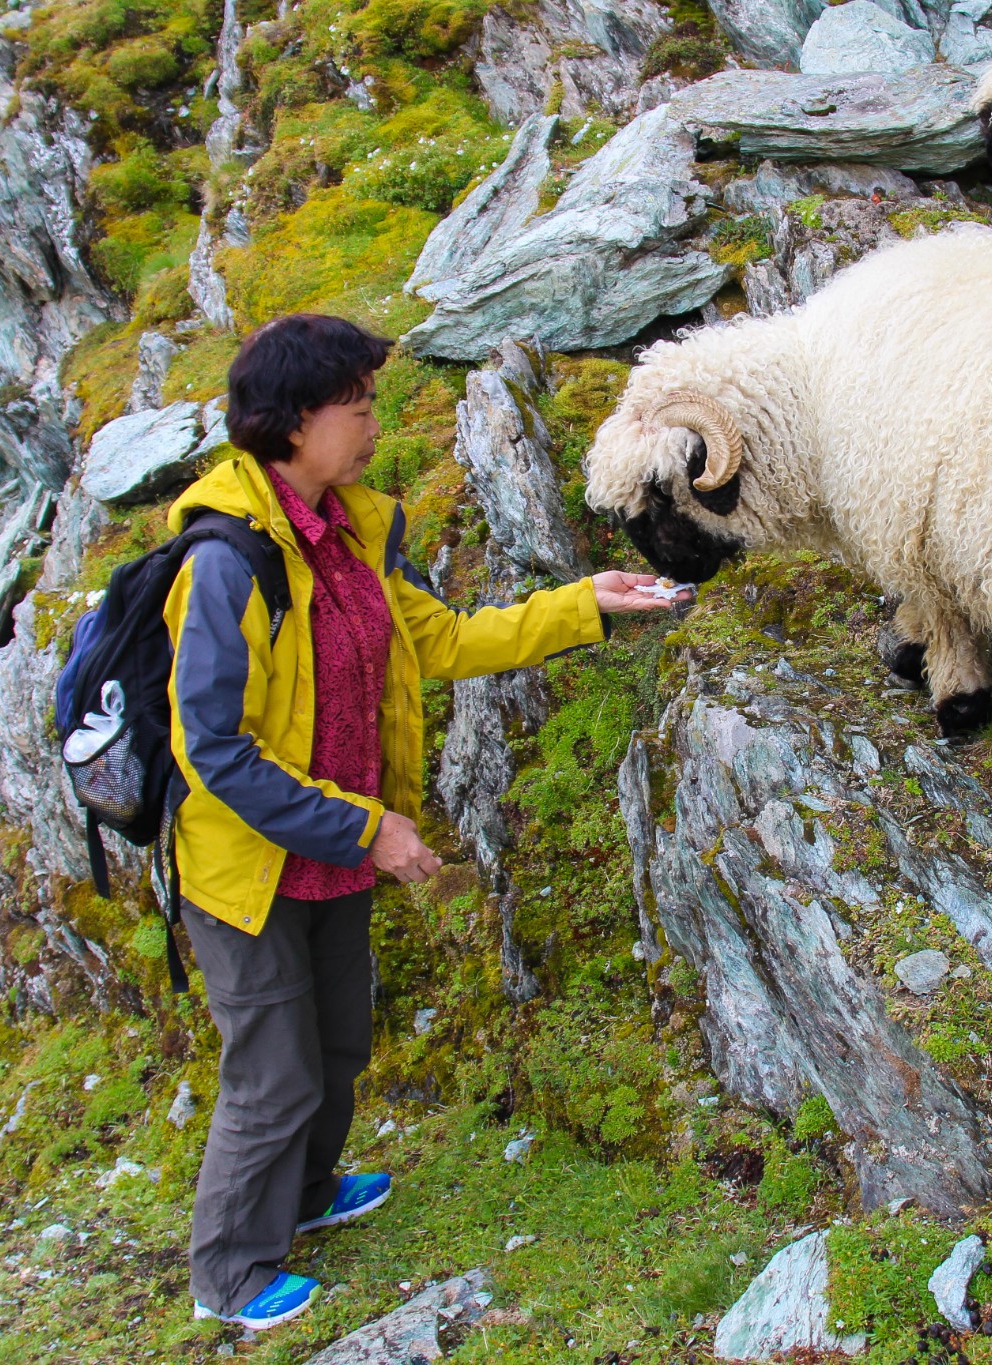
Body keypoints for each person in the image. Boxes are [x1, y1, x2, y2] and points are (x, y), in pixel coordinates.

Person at [165, 313, 686, 1330]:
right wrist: (369, 831)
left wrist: (586, 602)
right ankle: (226, 1273)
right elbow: (213, 753)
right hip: (248, 870)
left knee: (337, 1042)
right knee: (270, 1073)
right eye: (352, 405)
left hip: (332, 851)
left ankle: (307, 1198)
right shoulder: (225, 562)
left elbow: (440, 640)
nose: (370, 422)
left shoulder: (351, 531)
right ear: (291, 422)